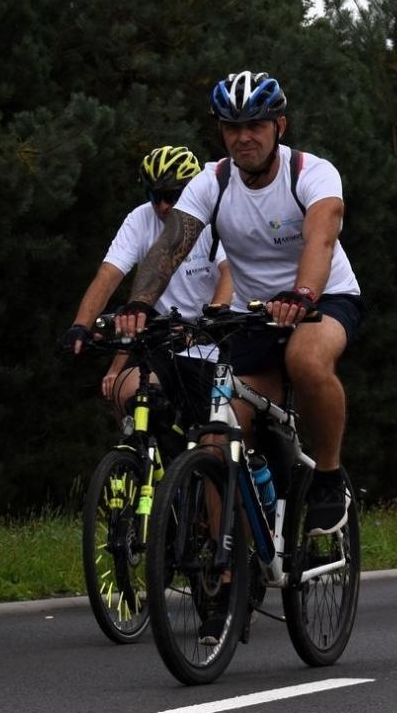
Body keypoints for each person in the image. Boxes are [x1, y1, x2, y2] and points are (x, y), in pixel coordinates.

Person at [115, 71, 364, 537]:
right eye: (232, 127)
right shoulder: (212, 181)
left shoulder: (312, 172)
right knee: (216, 438)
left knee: (306, 359)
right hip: (256, 314)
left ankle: (329, 477)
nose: (243, 137)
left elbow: (321, 239)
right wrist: (141, 304)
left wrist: (302, 294)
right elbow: (171, 245)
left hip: (323, 299)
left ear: (280, 127)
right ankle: (230, 571)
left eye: (256, 125)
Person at [61, 146, 231, 417]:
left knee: (215, 436)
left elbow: (229, 274)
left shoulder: (213, 218)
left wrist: (212, 319)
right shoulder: (140, 219)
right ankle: (148, 455)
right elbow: (108, 275)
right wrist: (80, 325)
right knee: (124, 394)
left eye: (172, 196)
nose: (163, 206)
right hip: (167, 346)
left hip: (214, 347)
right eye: (154, 196)